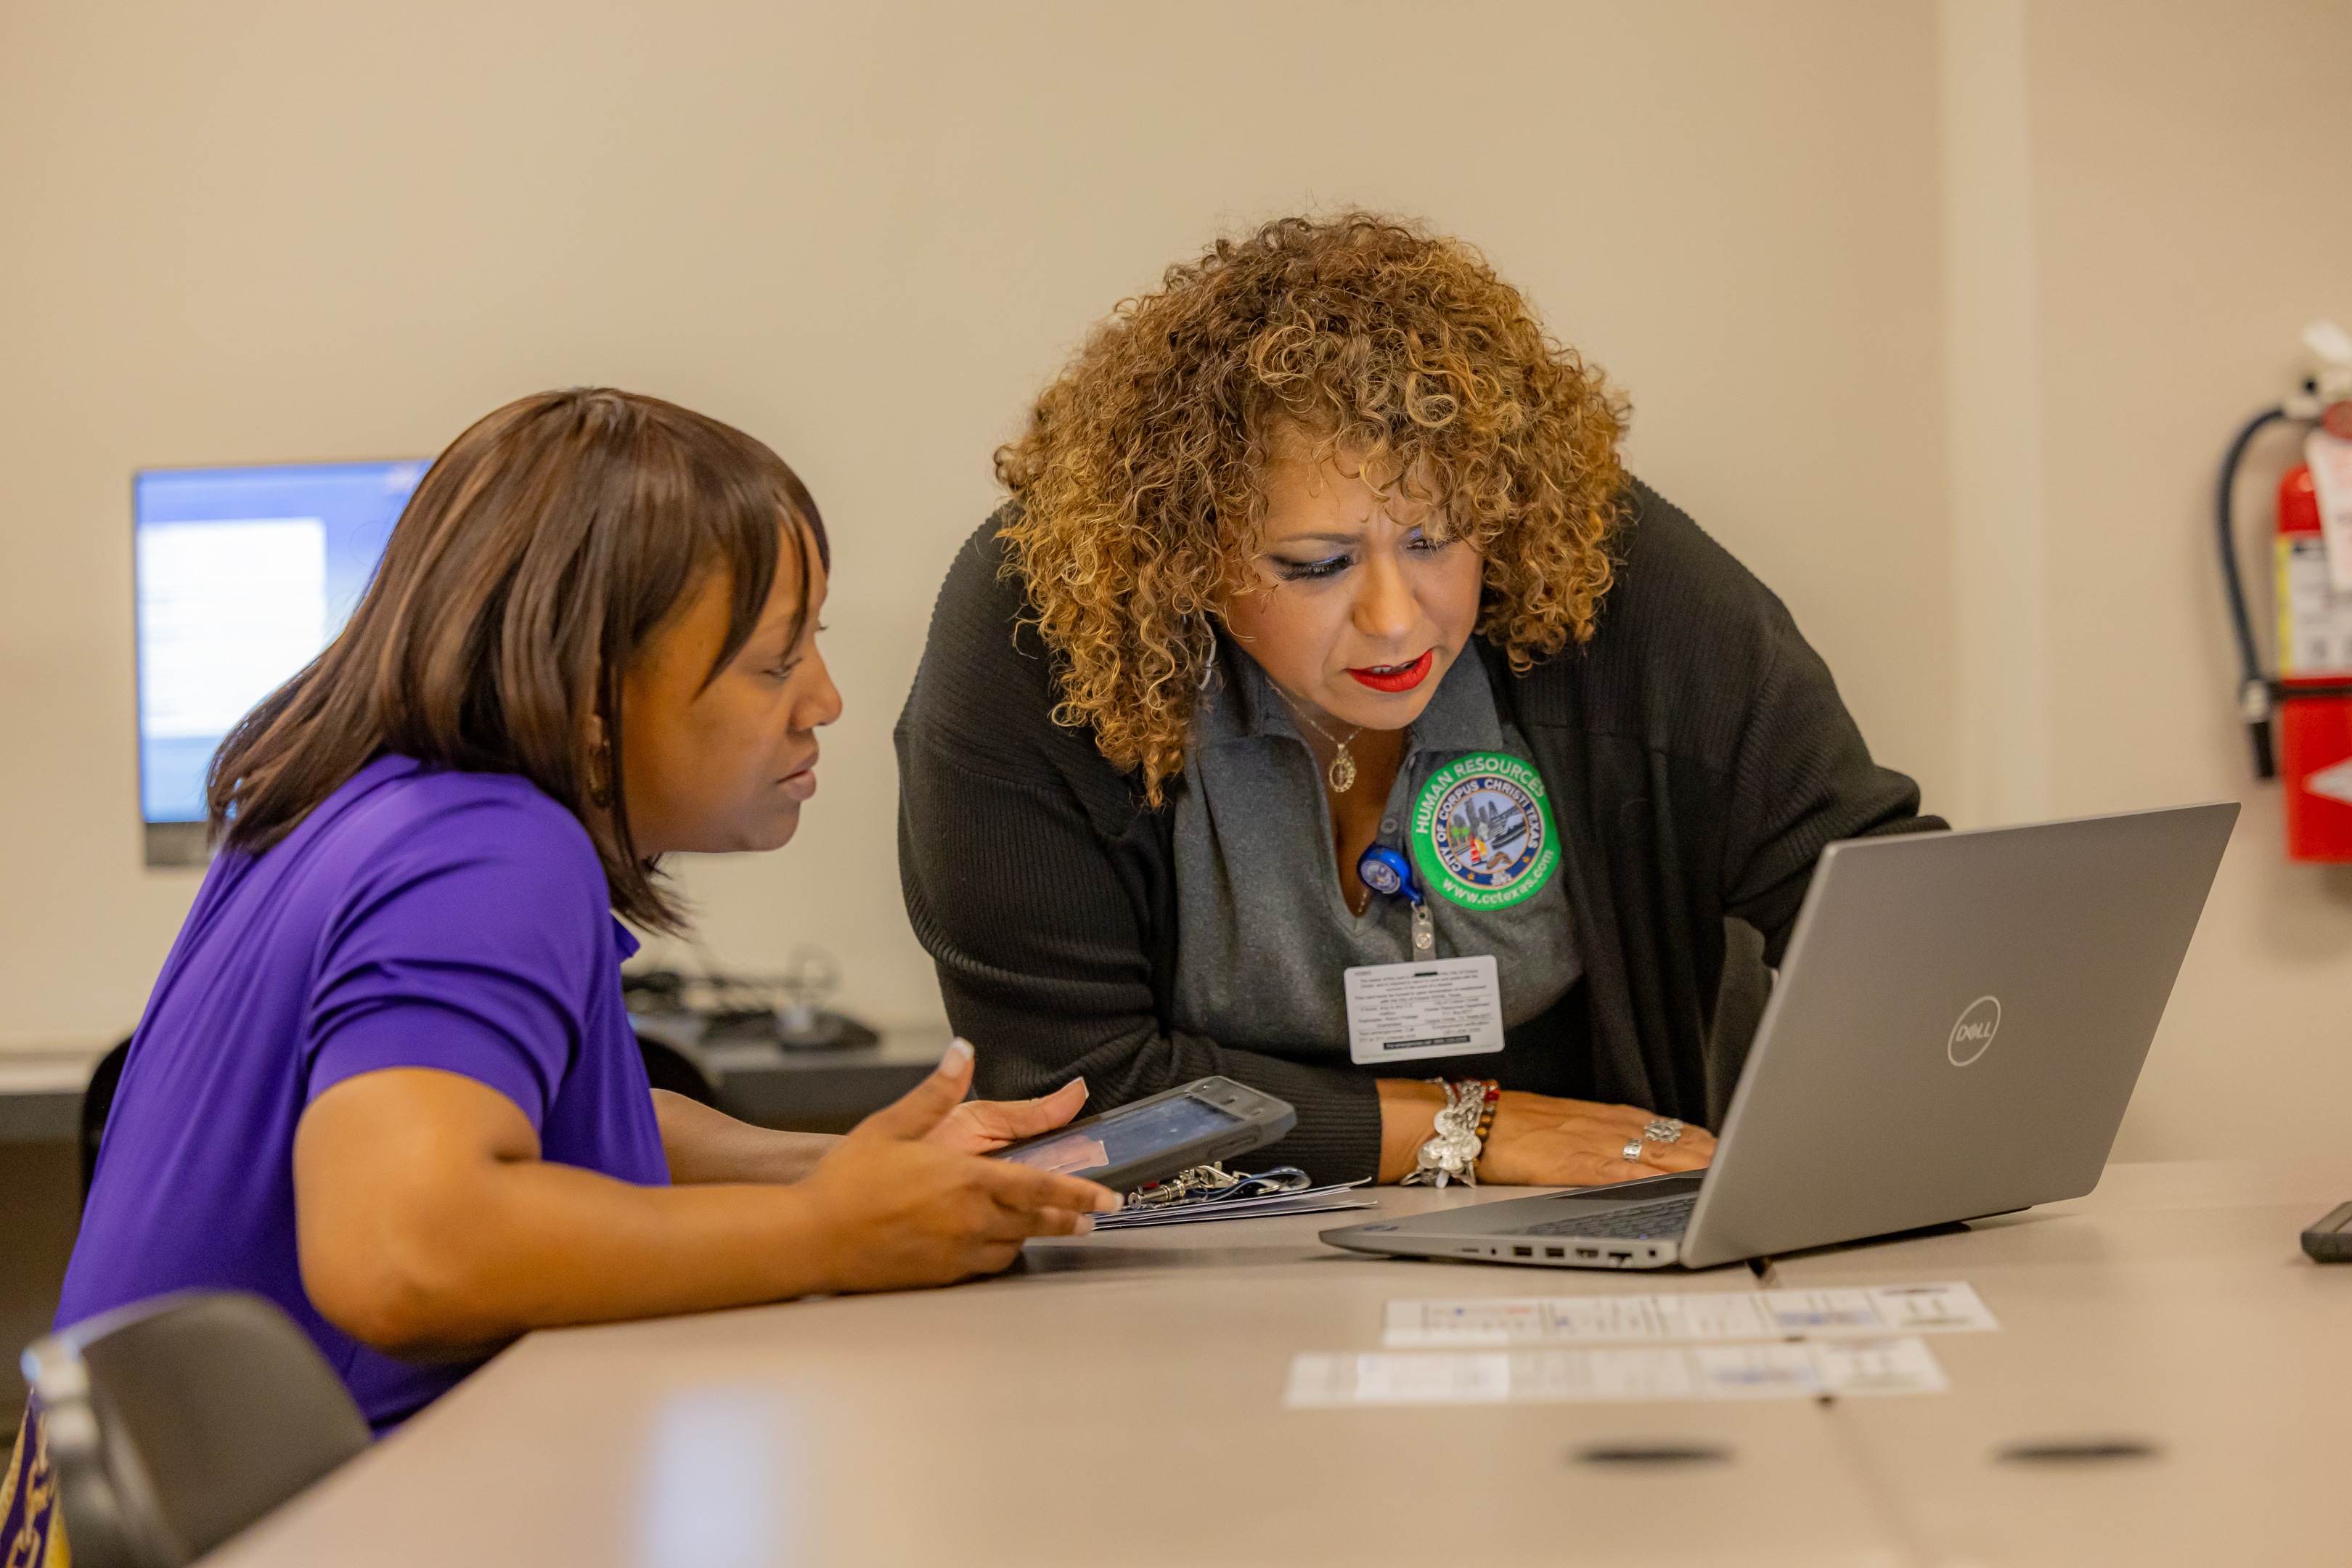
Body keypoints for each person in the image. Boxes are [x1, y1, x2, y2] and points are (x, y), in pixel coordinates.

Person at [53, 388, 1118, 1436]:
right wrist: (822, 1234)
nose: (825, 699)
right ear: (593, 699)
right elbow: (403, 1248)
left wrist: (842, 1174)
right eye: (775, 660)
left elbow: (538, 1115)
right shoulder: (489, 850)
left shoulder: (351, 801)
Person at [897, 213, 1943, 1191]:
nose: (1397, 621)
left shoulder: (1613, 574)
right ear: (1185, 555)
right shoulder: (1042, 632)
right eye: (1316, 565)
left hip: (1589, 1218)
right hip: (1184, 1252)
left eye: (1435, 541)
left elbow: (1866, 889)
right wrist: (1472, 1127)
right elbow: (1073, 1102)